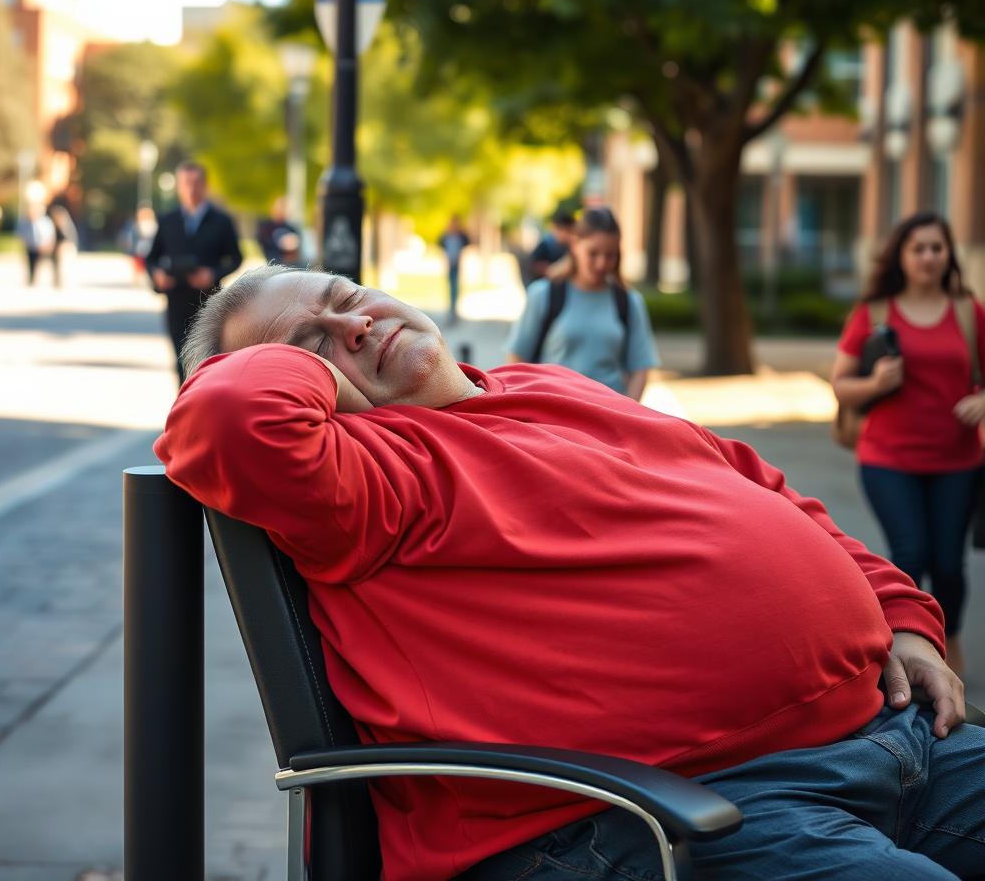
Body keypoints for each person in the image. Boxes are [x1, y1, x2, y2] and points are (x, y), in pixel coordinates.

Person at [154, 263, 984, 881]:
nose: (355, 325)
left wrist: (902, 614)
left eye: (347, 296)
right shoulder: (370, 475)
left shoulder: (543, 384)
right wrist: (313, 354)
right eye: (312, 341)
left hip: (898, 740)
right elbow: (225, 418)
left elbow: (759, 485)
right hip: (665, 815)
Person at [832, 211, 985, 678]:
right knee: (911, 553)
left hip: (958, 460)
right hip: (888, 459)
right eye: (918, 248)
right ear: (901, 255)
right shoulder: (875, 312)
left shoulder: (967, 310)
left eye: (937, 247)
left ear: (948, 255)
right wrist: (875, 382)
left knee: (949, 564)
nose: (928, 257)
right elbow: (840, 386)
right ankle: (904, 646)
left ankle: (948, 639)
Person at [507, 207, 659, 401]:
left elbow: (640, 369)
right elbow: (517, 360)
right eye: (593, 253)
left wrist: (628, 412)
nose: (602, 264)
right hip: (553, 418)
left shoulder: (629, 302)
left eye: (610, 255)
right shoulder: (544, 294)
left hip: (609, 418)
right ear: (575, 245)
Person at [144, 160, 242, 384]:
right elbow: (151, 258)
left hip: (208, 302)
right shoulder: (167, 221)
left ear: (205, 185)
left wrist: (213, 274)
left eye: (196, 183)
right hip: (176, 301)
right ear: (178, 186)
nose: (191, 188)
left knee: (205, 363)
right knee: (180, 361)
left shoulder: (222, 221)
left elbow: (236, 258)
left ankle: (202, 409)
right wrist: (157, 276)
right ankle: (184, 411)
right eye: (186, 183)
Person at [16, 198, 56, 286]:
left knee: (42, 264)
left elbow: (50, 234)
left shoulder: (45, 221)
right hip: (30, 246)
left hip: (42, 246)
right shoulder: (25, 221)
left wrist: (48, 244)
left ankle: (42, 280)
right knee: (31, 264)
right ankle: (31, 280)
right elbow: (20, 233)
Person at [438, 214, 470, 323]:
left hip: (457, 264)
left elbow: (467, 242)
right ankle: (451, 309)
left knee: (455, 287)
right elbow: (441, 245)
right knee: (450, 286)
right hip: (449, 264)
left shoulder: (460, 236)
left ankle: (454, 310)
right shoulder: (446, 236)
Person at [529, 211, 576, 281]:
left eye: (568, 231)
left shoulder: (573, 245)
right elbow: (535, 265)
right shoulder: (546, 244)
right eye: (562, 230)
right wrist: (552, 269)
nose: (565, 234)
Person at [256, 196, 303, 266]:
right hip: (273, 261)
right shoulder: (267, 226)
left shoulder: (291, 228)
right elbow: (262, 242)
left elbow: (298, 245)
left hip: (290, 263)